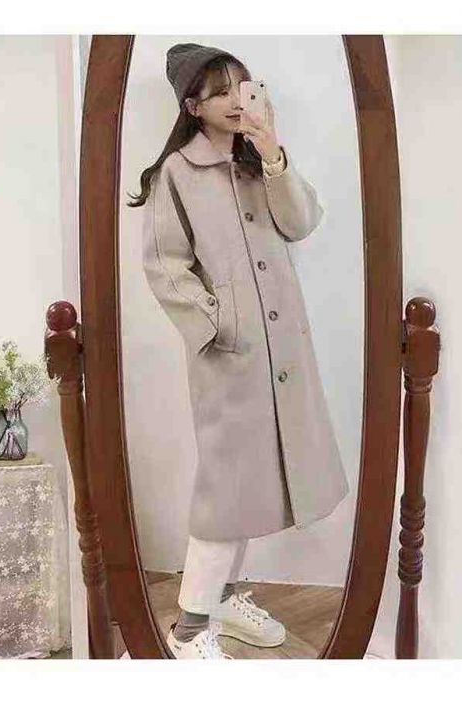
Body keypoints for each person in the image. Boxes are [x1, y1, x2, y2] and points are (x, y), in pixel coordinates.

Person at [129, 42, 349, 659]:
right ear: (192, 105)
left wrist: (271, 147)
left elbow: (301, 222)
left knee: (255, 484)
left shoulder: (260, 163)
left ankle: (222, 600)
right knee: (225, 494)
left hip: (284, 354)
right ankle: (189, 630)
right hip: (229, 357)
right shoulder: (177, 173)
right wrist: (217, 324)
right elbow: (164, 265)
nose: (234, 100)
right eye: (219, 90)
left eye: (242, 86)